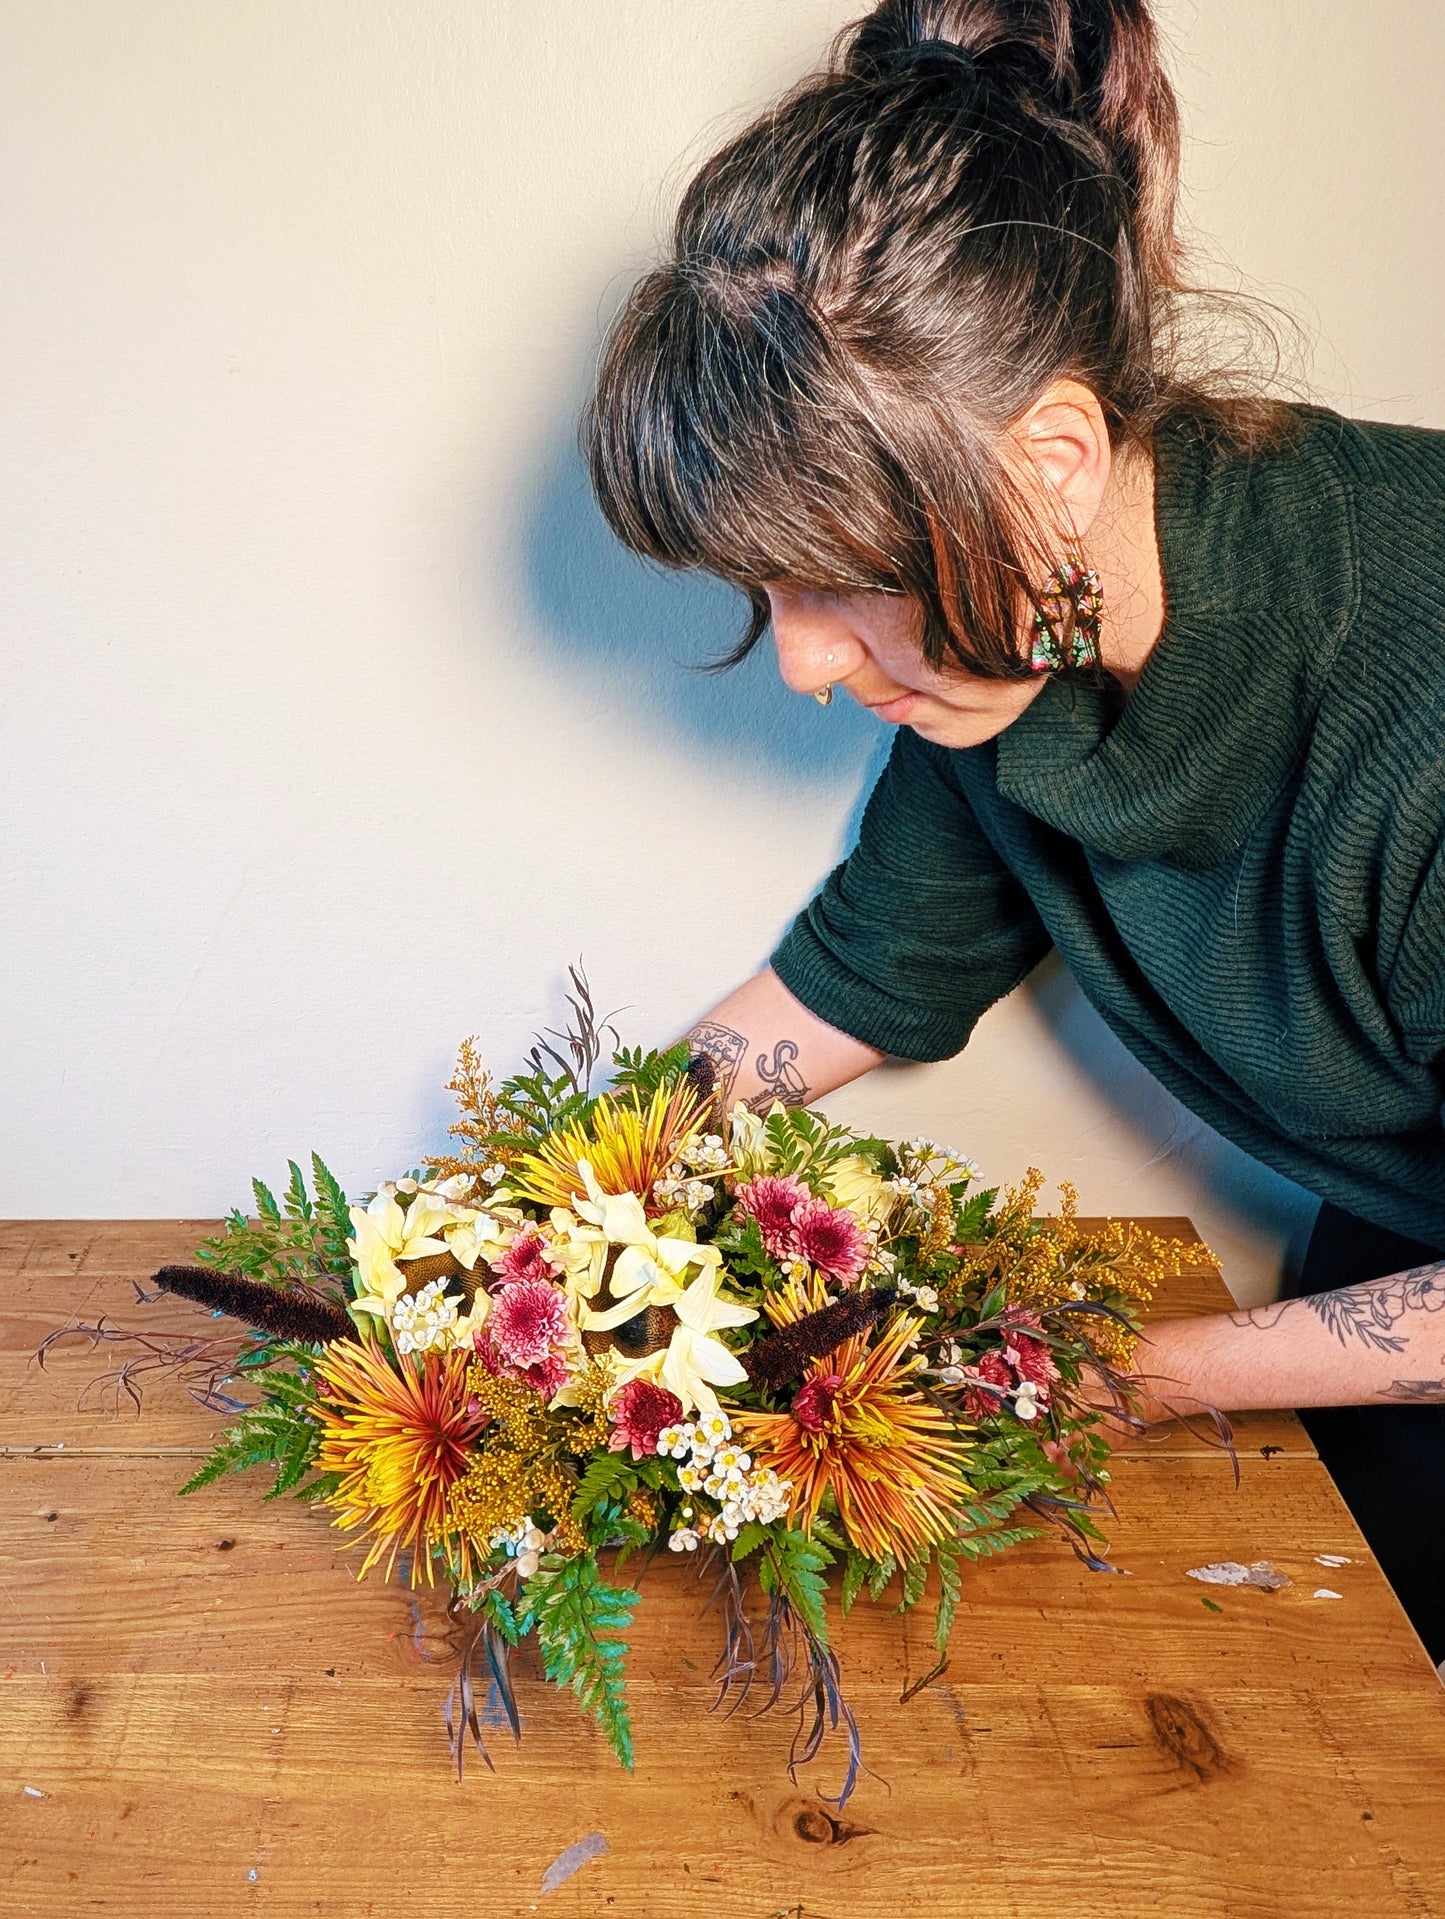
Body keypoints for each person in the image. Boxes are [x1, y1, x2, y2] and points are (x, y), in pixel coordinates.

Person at [582, 0, 1445, 1661]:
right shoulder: (1010, 659)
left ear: (1049, 457)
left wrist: (1124, 1371)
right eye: (765, 589)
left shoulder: (1414, 681)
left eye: (841, 580)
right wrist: (566, 1194)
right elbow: (853, 983)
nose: (806, 661)